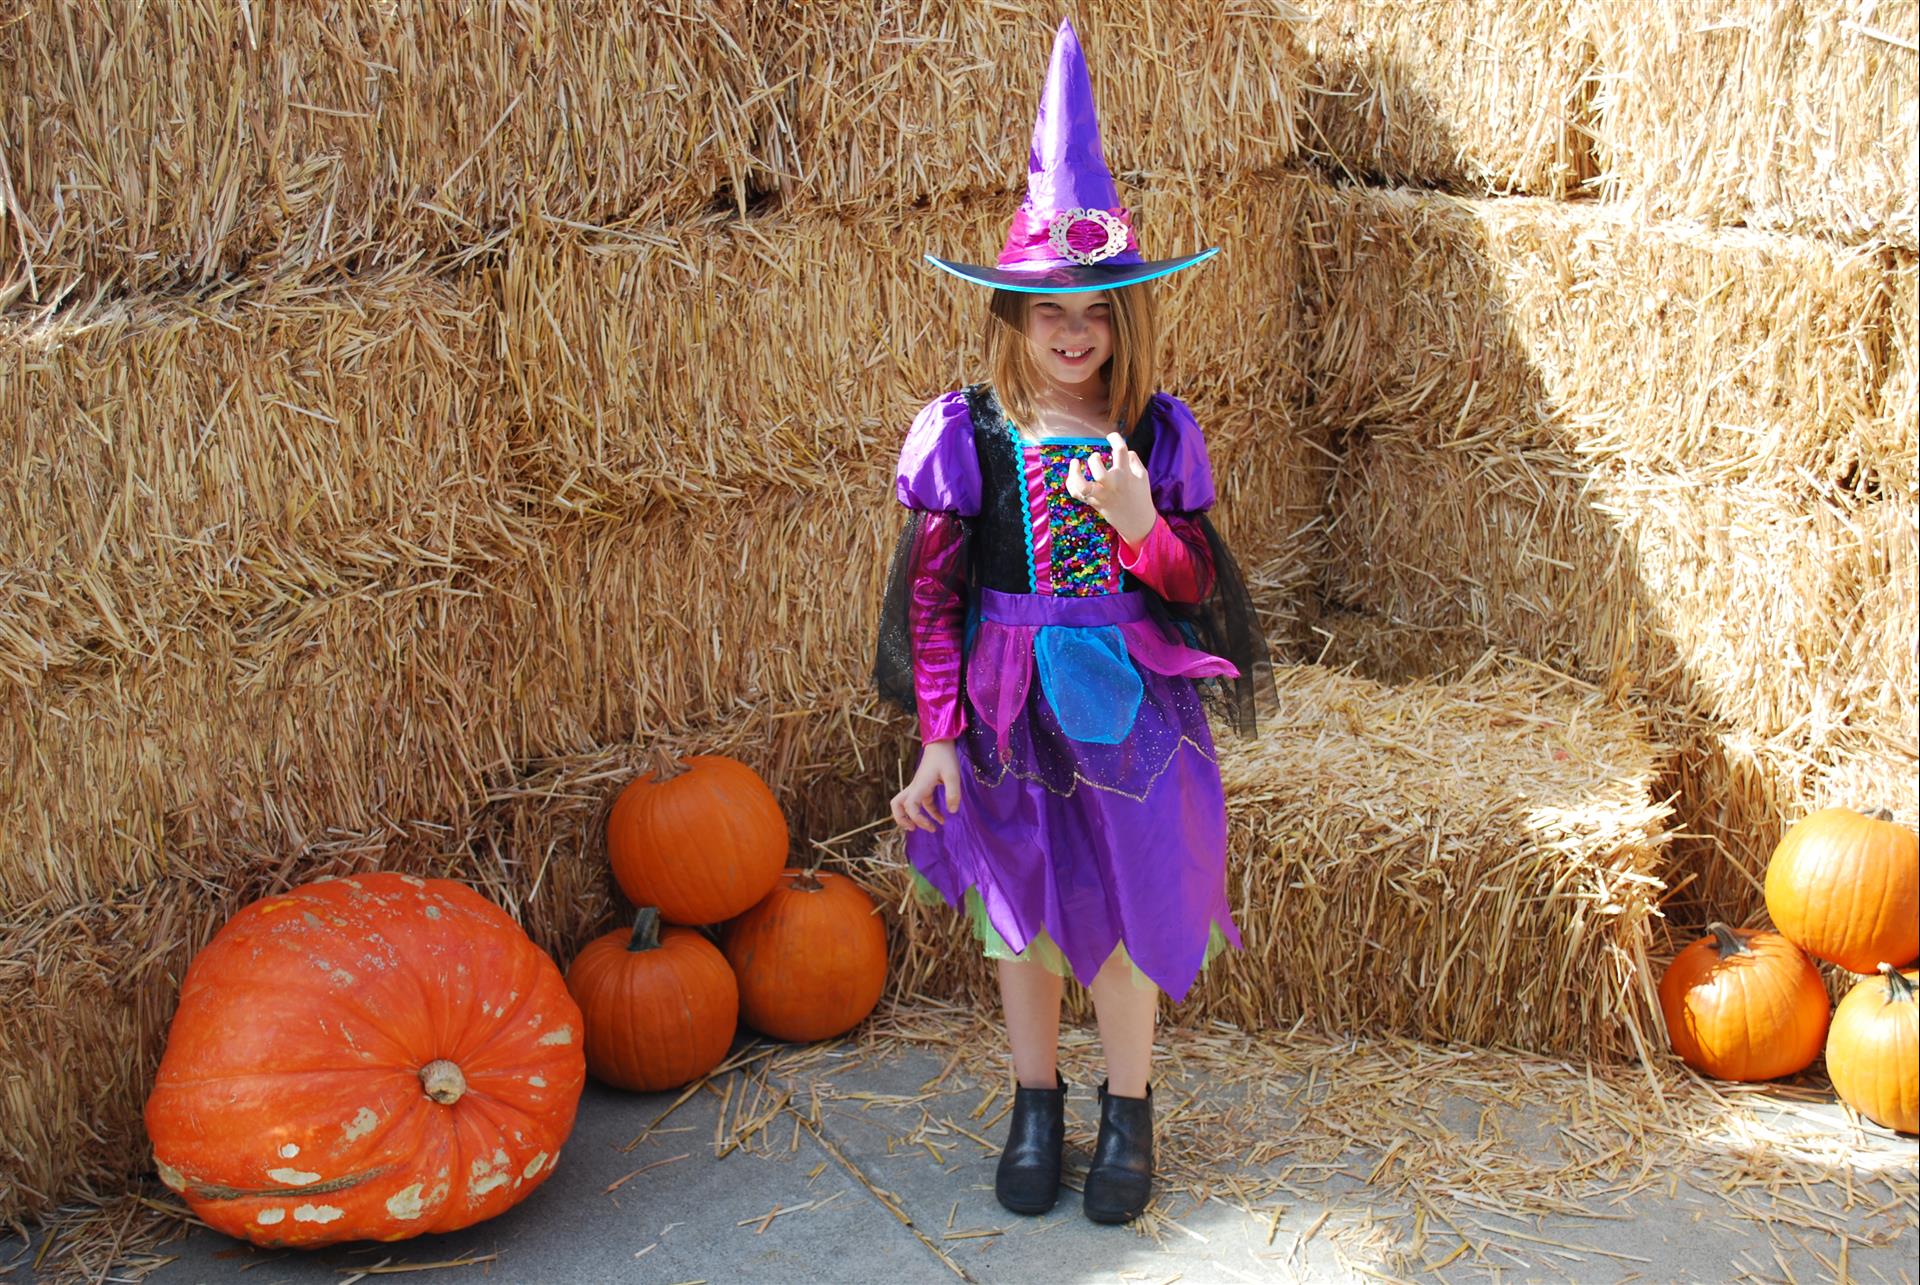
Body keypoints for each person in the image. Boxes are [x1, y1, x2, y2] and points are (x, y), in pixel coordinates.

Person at [871, 19, 1271, 1225]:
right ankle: (1035, 1101)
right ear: (1010, 315)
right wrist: (939, 734)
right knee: (1023, 916)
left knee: (1131, 905)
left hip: (1131, 713)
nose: (1072, 329)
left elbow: (1201, 589)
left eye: (1096, 306)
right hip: (1002, 712)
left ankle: (1130, 1108)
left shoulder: (1158, 432)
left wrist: (1148, 524)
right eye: (1048, 309)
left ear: (1126, 316)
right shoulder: (968, 432)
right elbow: (933, 597)